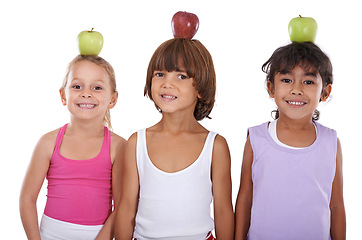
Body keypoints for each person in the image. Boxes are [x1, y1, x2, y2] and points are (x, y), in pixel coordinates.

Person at [115, 38, 234, 240]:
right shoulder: (137, 142)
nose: (167, 83)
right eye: (160, 74)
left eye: (181, 76)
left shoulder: (215, 146)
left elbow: (223, 211)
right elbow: (126, 209)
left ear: (200, 88)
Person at [234, 42, 346, 240]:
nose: (296, 89)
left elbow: (336, 204)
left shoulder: (331, 142)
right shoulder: (256, 139)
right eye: (286, 80)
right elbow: (244, 198)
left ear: (325, 92)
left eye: (309, 82)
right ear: (271, 88)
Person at [20, 55, 126, 240]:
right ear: (63, 95)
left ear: (113, 99)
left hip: (98, 235)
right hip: (49, 235)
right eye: (77, 86)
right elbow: (27, 199)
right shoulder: (48, 142)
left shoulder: (119, 147)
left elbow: (122, 205)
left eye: (97, 87)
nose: (86, 93)